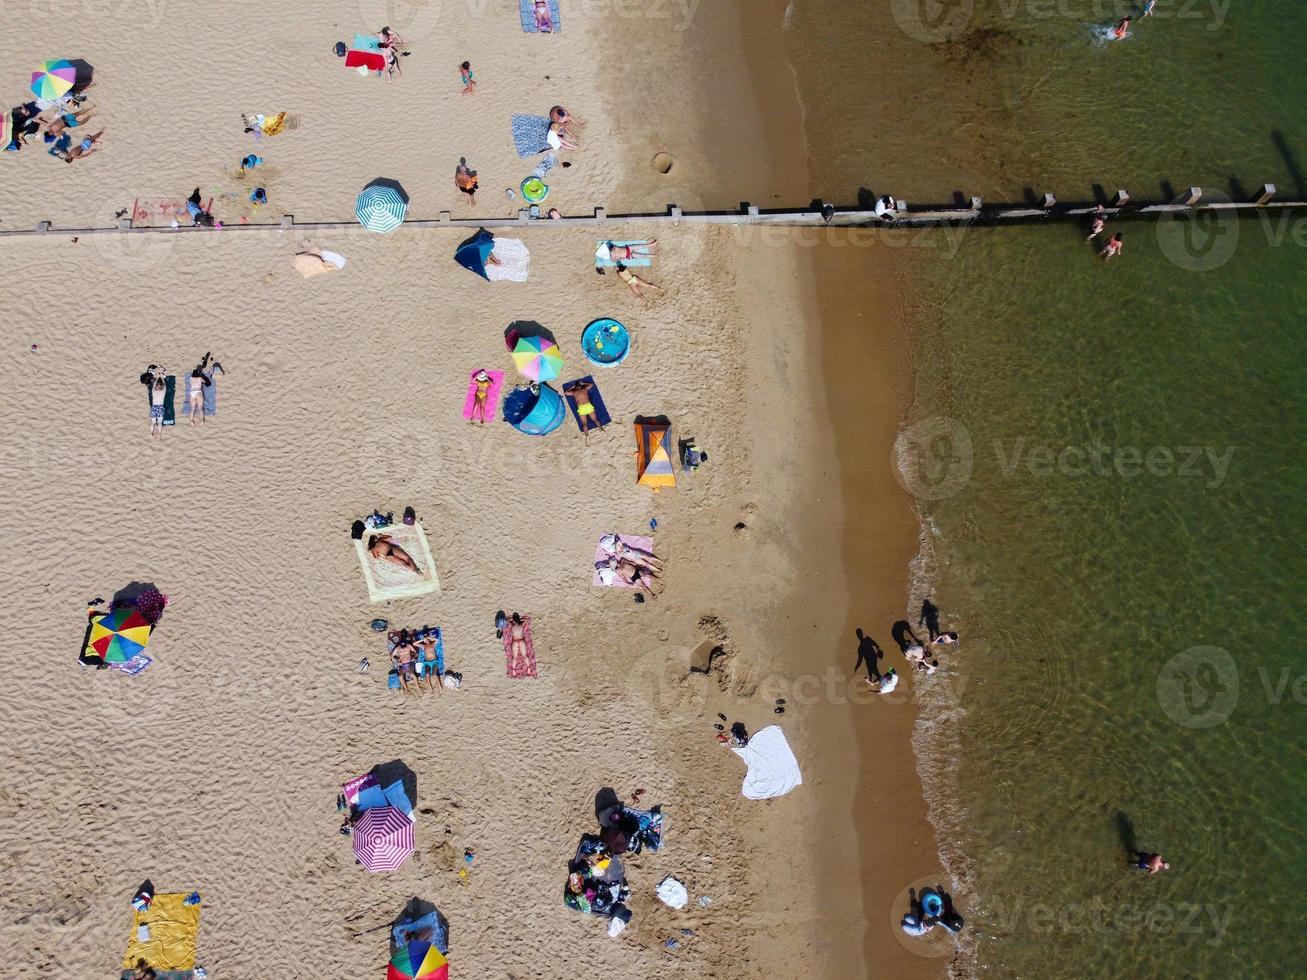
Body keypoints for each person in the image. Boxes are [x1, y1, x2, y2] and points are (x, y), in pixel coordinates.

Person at [564, 378, 604, 443]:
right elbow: (591, 384)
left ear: (576, 387)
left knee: (584, 423)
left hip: (581, 408)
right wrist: (584, 383)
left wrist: (572, 387)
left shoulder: (574, 392)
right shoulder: (584, 389)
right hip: (588, 406)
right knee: (595, 419)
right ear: (580, 386)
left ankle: (587, 436)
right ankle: (601, 429)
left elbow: (565, 393)